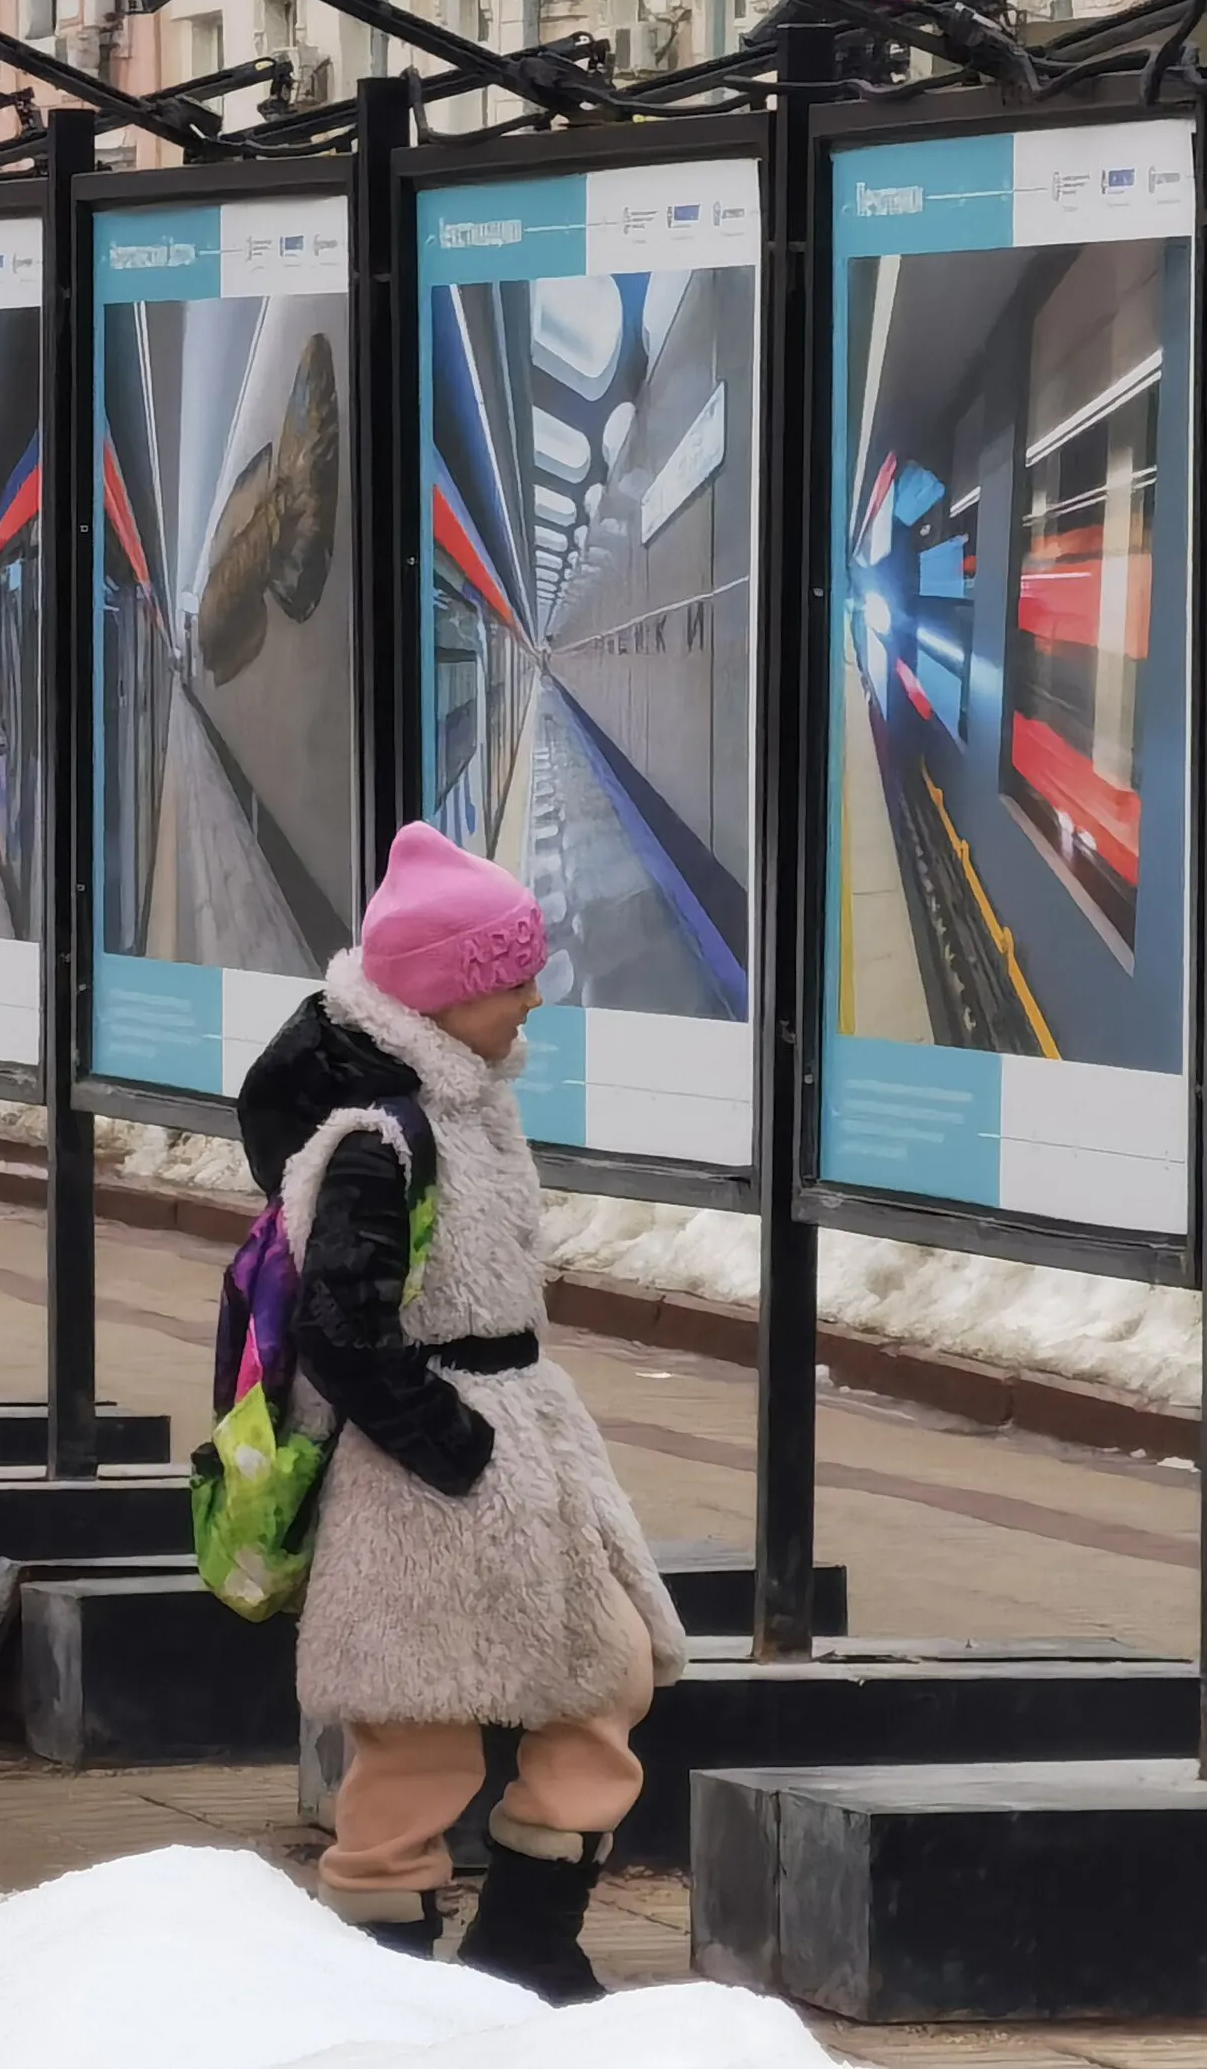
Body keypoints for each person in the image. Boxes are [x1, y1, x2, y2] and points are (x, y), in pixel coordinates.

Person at [235, 821, 688, 2003]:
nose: (534, 994)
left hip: (512, 1461)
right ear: (441, 996)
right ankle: (383, 1971)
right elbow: (344, 1325)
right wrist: (453, 1444)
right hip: (428, 1477)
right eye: (509, 977)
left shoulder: (466, 1105)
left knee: (605, 1678)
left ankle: (529, 1941)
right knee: (415, 1723)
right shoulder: (377, 1142)